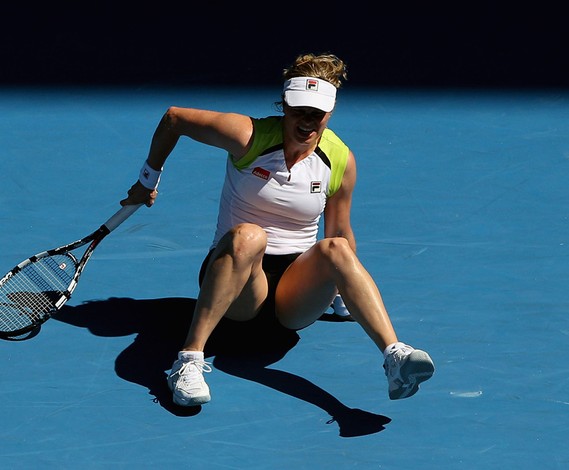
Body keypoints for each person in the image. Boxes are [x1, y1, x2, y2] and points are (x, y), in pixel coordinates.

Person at [120, 52, 435, 407]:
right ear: (284, 105)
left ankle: (395, 358)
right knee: (249, 235)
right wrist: (147, 181)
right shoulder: (248, 136)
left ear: (330, 113)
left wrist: (343, 292)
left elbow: (340, 232)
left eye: (317, 114)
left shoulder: (340, 160)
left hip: (293, 299)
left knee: (336, 248)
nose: (307, 122)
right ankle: (188, 360)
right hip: (237, 285)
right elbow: (175, 118)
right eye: (299, 110)